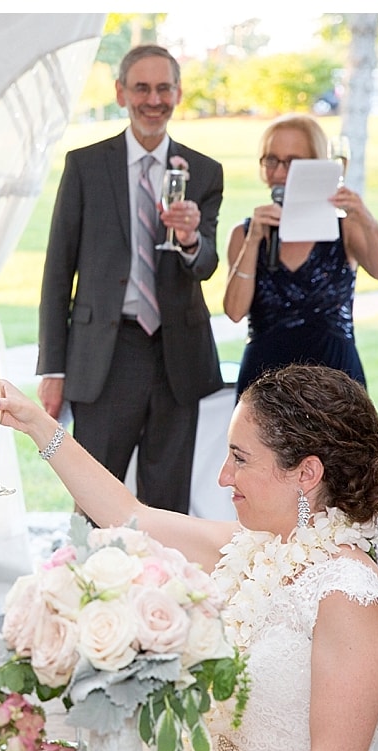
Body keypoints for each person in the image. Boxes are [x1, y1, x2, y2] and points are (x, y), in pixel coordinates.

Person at [0, 363, 378, 751]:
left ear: (306, 473)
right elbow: (132, 517)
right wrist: (36, 425)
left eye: (240, 458)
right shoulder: (258, 549)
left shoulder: (348, 595)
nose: (223, 476)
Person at [36, 44, 224, 514]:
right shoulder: (85, 166)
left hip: (177, 356)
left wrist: (188, 239)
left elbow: (205, 264)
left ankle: (164, 587)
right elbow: (58, 271)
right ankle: (86, 582)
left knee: (167, 501)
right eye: (142, 88)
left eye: (164, 88)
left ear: (178, 94)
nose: (153, 99)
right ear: (121, 92)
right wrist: (53, 370)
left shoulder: (203, 171)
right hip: (104, 355)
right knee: (95, 492)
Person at [223, 113, 378, 400]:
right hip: (265, 381)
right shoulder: (244, 233)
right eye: (271, 160)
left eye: (291, 162)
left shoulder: (344, 228)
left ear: (317, 166)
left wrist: (364, 217)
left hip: (335, 381)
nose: (278, 172)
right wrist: (253, 241)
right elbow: (234, 311)